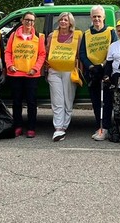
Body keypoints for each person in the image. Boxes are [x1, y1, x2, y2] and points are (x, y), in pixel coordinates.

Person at [4, 11, 46, 138]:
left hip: (32, 75)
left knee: (31, 103)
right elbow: (8, 52)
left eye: (32, 20)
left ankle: (31, 128)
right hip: (15, 74)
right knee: (16, 103)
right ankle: (18, 126)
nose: (29, 22)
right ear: (22, 21)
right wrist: (10, 65)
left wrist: (36, 68)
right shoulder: (13, 35)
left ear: (34, 22)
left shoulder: (39, 37)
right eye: (27, 20)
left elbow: (42, 54)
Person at [79, 5, 117, 141]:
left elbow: (114, 50)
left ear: (104, 17)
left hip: (106, 71)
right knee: (96, 102)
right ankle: (99, 126)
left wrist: (104, 66)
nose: (96, 19)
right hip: (93, 73)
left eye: (99, 16)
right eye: (94, 16)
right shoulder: (86, 34)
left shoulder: (111, 32)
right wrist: (90, 67)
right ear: (91, 17)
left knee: (106, 101)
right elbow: (82, 53)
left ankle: (105, 127)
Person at [45, 12, 82, 142]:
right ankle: (58, 128)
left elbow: (80, 54)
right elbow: (46, 52)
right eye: (61, 19)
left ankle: (65, 125)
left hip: (69, 71)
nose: (63, 22)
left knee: (68, 100)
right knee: (57, 101)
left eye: (65, 20)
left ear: (70, 22)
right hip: (54, 71)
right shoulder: (51, 36)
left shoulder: (78, 35)